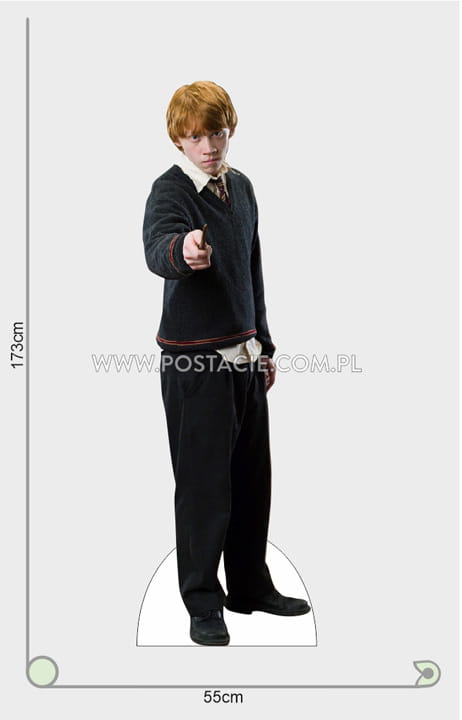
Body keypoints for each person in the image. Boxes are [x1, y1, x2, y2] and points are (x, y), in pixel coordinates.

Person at [142, 80, 310, 646]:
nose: (209, 146)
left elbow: (251, 272)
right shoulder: (169, 191)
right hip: (194, 365)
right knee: (202, 487)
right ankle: (202, 602)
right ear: (179, 140)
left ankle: (249, 586)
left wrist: (265, 345)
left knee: (251, 480)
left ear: (229, 129)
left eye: (216, 133)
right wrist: (184, 251)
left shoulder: (241, 187)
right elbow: (158, 246)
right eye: (196, 137)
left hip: (244, 355)